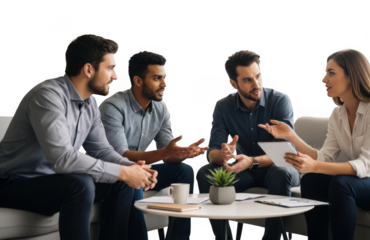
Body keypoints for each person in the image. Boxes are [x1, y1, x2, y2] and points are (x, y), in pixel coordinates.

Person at [0, 34, 158, 240]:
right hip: (14, 183)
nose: (116, 76)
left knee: (122, 181)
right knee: (80, 183)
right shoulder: (48, 96)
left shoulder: (90, 103)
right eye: (110, 68)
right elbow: (63, 159)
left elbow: (101, 150)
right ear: (88, 70)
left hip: (53, 181)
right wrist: (122, 171)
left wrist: (133, 169)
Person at [258, 48, 370, 240]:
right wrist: (291, 137)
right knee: (310, 180)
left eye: (331, 73)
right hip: (368, 183)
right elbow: (326, 157)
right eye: (325, 73)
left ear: (351, 76)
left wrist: (315, 165)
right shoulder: (337, 115)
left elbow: (366, 165)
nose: (324, 79)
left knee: (342, 183)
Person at [99, 50, 208, 240]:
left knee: (183, 170)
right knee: (133, 178)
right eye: (157, 78)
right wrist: (166, 152)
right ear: (138, 81)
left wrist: (183, 152)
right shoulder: (113, 107)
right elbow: (121, 156)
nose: (164, 84)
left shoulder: (161, 107)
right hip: (113, 173)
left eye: (164, 78)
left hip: (139, 167)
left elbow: (168, 151)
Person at [196, 50, 301, 240]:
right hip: (246, 172)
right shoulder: (223, 106)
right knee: (206, 172)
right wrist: (224, 155)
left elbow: (285, 153)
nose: (256, 84)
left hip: (278, 168)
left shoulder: (280, 101)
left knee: (281, 172)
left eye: (258, 76)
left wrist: (251, 161)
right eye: (247, 80)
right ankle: (223, 237)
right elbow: (212, 151)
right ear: (233, 83)